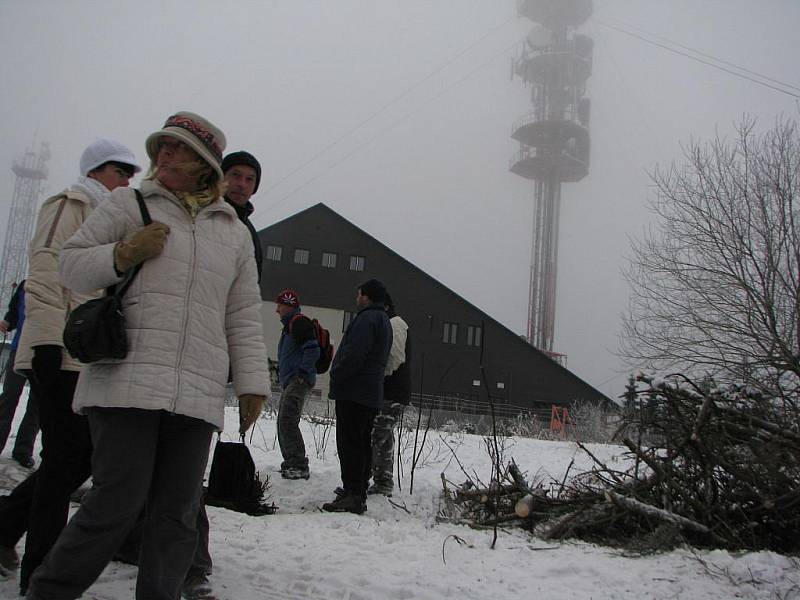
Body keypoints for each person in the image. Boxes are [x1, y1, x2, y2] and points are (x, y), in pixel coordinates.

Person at [27, 111, 269, 600]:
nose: (163, 155)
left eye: (177, 148)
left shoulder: (234, 233)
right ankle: (47, 593)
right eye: (161, 146)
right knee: (116, 501)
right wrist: (121, 254)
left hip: (196, 389)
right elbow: (70, 266)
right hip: (126, 382)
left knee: (177, 511)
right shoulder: (128, 203)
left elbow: (242, 313)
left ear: (204, 163)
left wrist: (251, 383)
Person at [0, 138, 141, 592]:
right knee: (67, 459)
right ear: (96, 170)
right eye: (120, 170)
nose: (127, 180)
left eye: (130, 174)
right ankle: (39, 572)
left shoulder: (111, 218)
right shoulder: (69, 204)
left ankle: (5, 530)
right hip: (55, 352)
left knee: (73, 460)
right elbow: (44, 270)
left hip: (85, 356)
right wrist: (42, 342)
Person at [323, 279, 392, 515]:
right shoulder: (383, 320)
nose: (356, 298)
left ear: (366, 297)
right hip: (369, 392)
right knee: (361, 442)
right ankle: (357, 489)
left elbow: (354, 354)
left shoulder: (367, 319)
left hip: (354, 390)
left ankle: (353, 493)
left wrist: (337, 373)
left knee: (350, 442)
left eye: (359, 294)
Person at [368, 292, 411, 497]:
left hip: (392, 392)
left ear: (384, 307)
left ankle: (359, 480)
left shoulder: (395, 324)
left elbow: (395, 357)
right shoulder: (393, 323)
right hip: (393, 392)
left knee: (375, 435)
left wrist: (377, 377)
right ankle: (383, 481)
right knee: (384, 438)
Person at [275, 289, 320, 480]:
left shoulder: (299, 323)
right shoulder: (290, 326)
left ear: (288, 305)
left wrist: (302, 374)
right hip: (292, 380)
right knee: (283, 420)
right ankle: (291, 463)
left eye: (279, 306)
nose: (276, 310)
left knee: (287, 419)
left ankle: (298, 464)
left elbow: (312, 349)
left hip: (298, 380)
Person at [0, 280, 39, 469]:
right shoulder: (26, 284)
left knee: (37, 403)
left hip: (45, 351)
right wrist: (7, 322)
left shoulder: (62, 283)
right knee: (9, 396)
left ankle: (23, 450)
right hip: (19, 348)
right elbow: (14, 311)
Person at [221, 150, 263, 282]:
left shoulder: (249, 233)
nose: (242, 184)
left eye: (249, 179)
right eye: (236, 175)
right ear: (221, 177)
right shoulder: (199, 215)